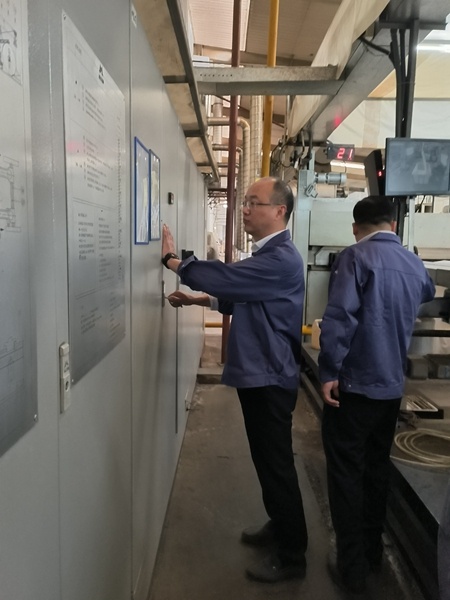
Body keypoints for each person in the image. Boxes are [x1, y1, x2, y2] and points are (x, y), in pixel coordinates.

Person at [161, 177, 308, 583]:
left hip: (270, 376)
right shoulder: (270, 256)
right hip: (260, 373)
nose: (244, 209)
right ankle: (280, 524)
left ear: (279, 210)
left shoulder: (281, 258)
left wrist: (175, 262)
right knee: (265, 460)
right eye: (244, 202)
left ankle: (293, 556)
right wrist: (199, 299)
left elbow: (228, 280)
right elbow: (241, 296)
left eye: (253, 203)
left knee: (276, 464)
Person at [318, 196, 435, 595]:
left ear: (355, 228)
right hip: (390, 388)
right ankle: (372, 554)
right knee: (376, 470)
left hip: (353, 387)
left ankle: (351, 570)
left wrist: (329, 371)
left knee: (346, 474)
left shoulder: (354, 258)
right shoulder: (413, 263)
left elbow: (339, 318)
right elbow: (426, 292)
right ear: (393, 225)